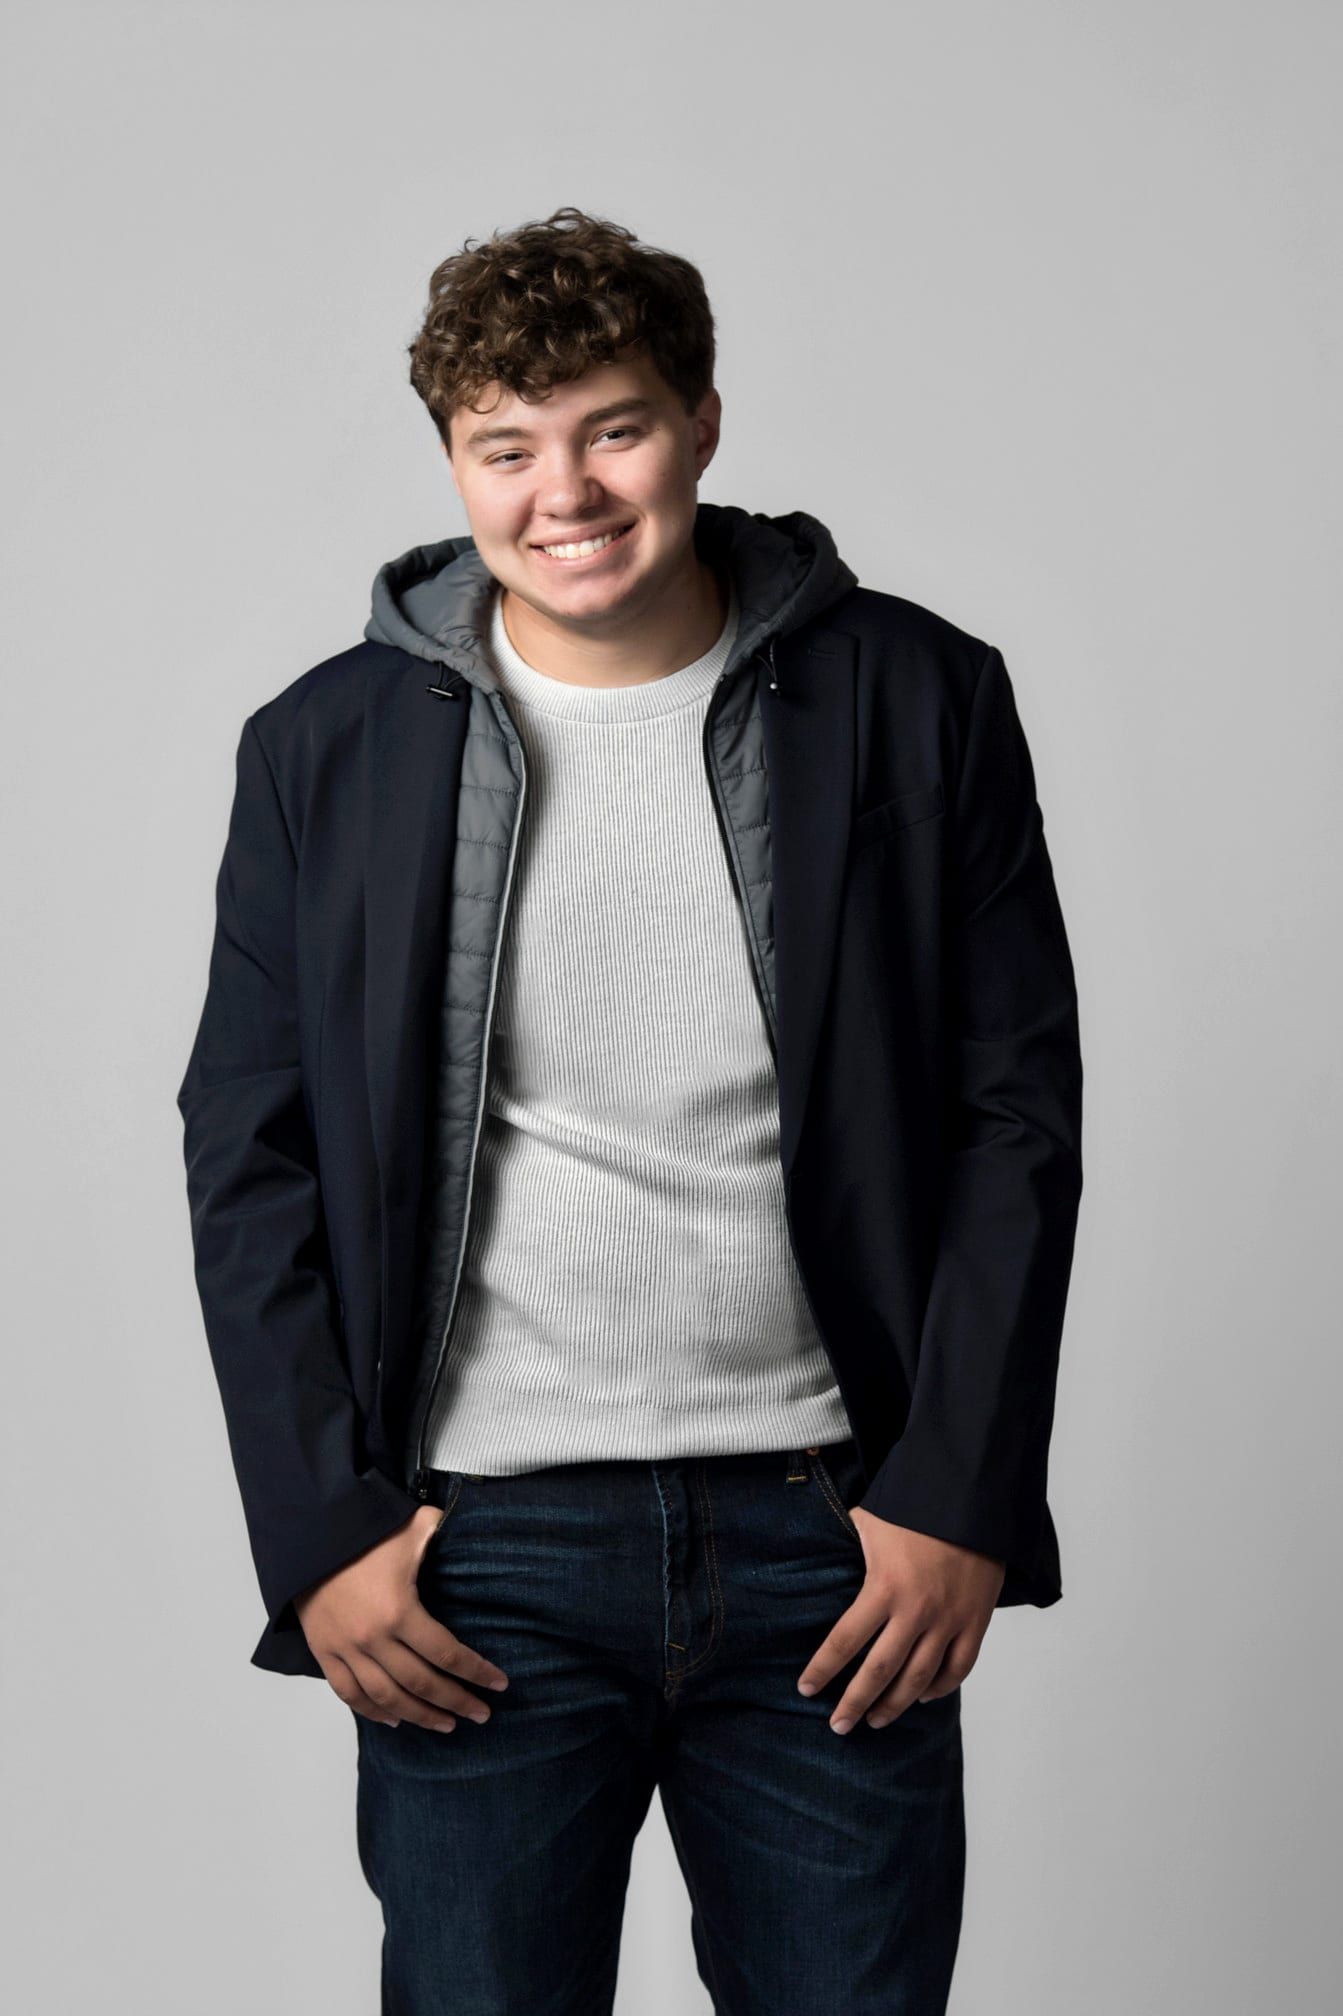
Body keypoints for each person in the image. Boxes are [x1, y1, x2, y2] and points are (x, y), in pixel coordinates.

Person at [176, 204, 1084, 2014]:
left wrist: (957, 1491)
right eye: (504, 446)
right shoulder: (323, 748)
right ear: (453, 463)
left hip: (836, 1550)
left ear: (703, 424)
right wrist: (321, 1537)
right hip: (479, 1563)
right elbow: (245, 1148)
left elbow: (1015, 1114)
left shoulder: (918, 697)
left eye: (612, 427)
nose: (563, 491)